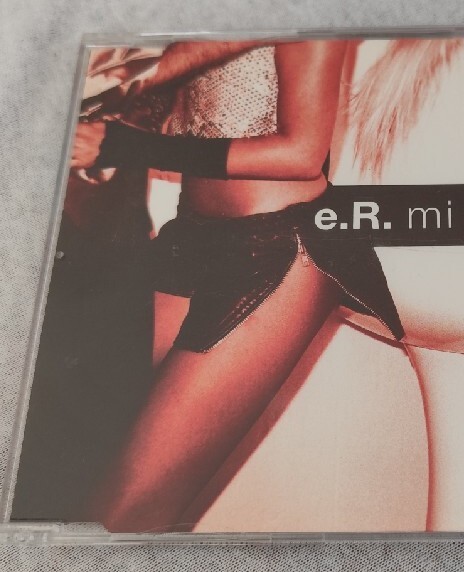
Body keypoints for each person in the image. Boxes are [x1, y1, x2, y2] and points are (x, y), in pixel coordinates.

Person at [70, 39, 403, 533]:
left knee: (120, 517)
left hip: (275, 249)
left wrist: (124, 146)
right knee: (89, 478)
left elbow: (301, 153)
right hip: (186, 239)